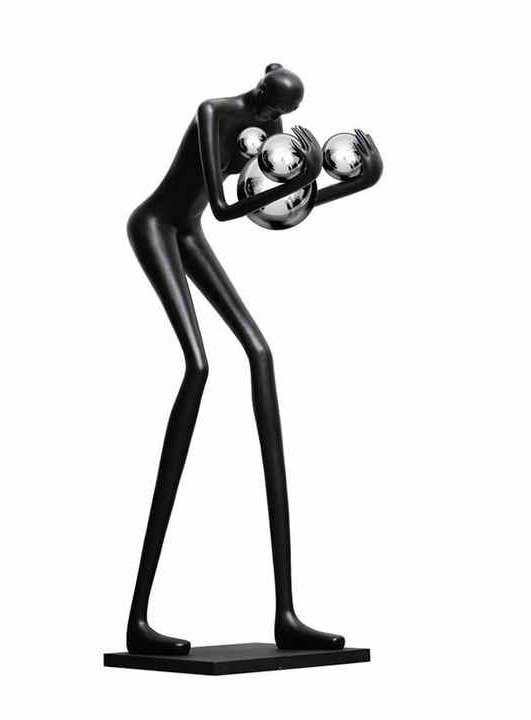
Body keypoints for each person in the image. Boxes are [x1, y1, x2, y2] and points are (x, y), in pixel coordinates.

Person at [126, 63, 383, 655]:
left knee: (260, 354)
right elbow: (223, 207)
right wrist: (306, 172)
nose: (273, 121)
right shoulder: (213, 112)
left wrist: (352, 184)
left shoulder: (273, 128)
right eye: (269, 108)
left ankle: (285, 614)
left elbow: (277, 208)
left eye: (280, 115)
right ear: (262, 86)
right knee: (198, 367)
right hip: (157, 225)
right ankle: (138, 619)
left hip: (187, 230)